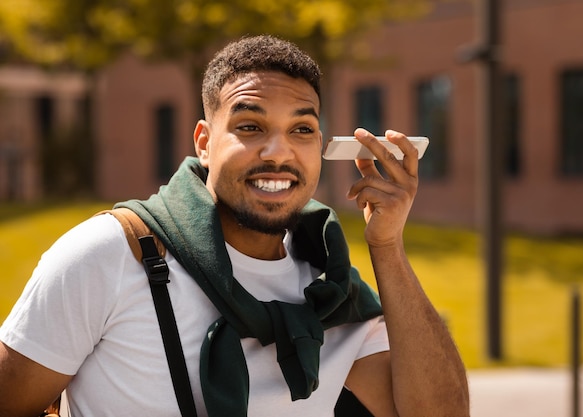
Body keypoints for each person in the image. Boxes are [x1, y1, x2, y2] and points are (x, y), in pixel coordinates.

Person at [0, 35, 469, 417]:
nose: (278, 153)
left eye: (301, 130)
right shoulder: (107, 255)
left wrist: (387, 246)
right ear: (204, 142)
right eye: (249, 127)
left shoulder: (332, 291)